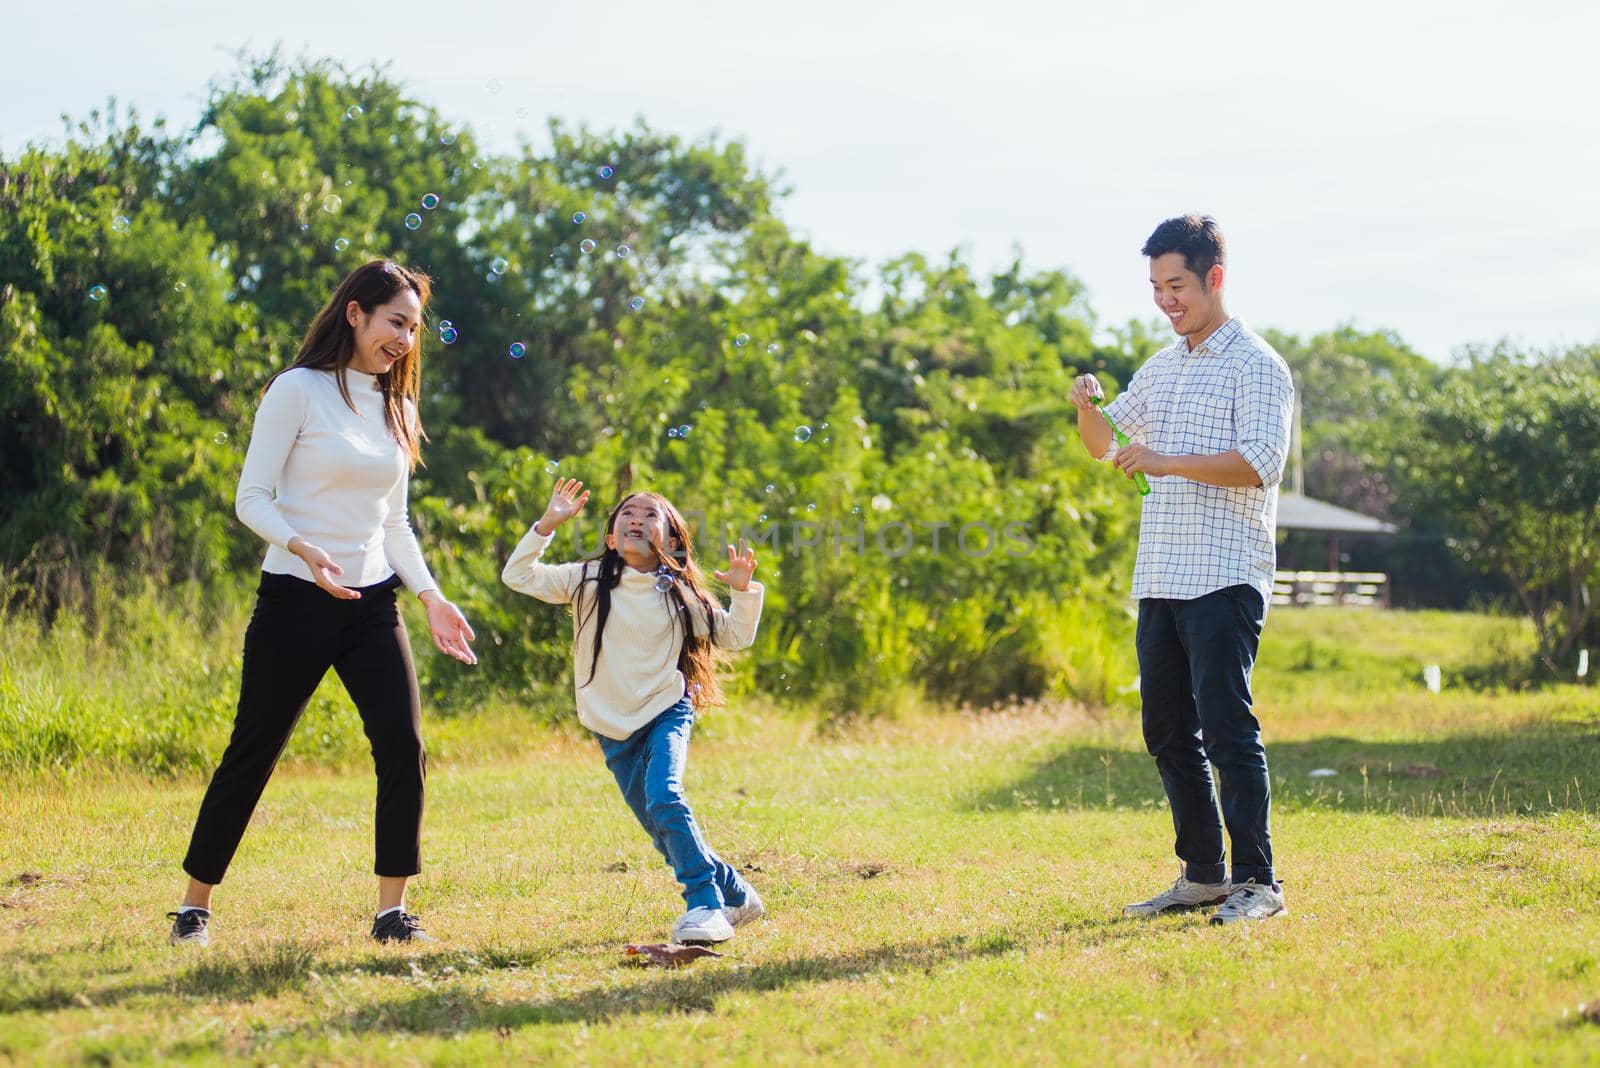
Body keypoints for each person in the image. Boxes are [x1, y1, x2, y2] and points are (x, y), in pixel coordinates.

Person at [169, 260, 478, 947]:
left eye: (414, 328)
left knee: (403, 746)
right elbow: (252, 497)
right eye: (395, 321)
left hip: (372, 603)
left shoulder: (398, 406)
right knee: (253, 750)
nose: (404, 339)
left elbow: (393, 523)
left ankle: (392, 913)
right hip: (295, 598)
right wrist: (303, 548)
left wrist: (430, 595)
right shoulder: (297, 391)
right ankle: (194, 908)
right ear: (354, 314)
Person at [1071, 214, 1294, 925]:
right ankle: (1203, 875)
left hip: (1227, 573)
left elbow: (1259, 466)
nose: (1167, 300)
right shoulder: (1160, 367)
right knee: (1168, 732)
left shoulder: (1258, 364)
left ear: (1214, 279)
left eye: (1178, 286)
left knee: (1228, 727)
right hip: (1161, 576)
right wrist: (1086, 406)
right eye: (1156, 287)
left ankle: (1259, 883)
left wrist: (1164, 460)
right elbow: (1105, 444)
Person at [502, 479, 766, 944]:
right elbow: (517, 576)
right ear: (610, 538)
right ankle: (735, 891)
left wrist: (743, 593)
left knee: (665, 797)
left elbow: (735, 636)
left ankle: (705, 905)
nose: (637, 520)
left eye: (650, 515)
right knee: (661, 831)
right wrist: (546, 525)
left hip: (666, 709)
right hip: (612, 726)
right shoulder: (585, 581)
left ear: (672, 540)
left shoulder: (679, 594)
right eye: (627, 514)